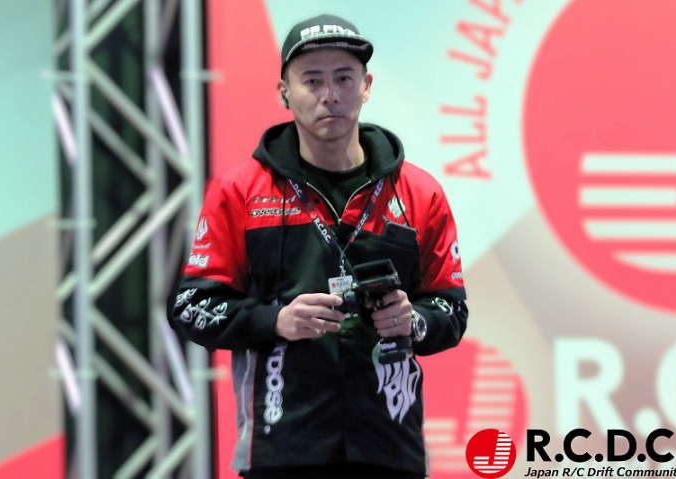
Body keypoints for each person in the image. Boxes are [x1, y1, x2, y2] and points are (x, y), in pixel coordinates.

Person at [171, 13, 468, 479]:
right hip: (282, 449)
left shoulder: (419, 192)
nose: (330, 94)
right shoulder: (239, 191)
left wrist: (413, 321)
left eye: (344, 78)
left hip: (389, 449)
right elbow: (192, 307)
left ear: (366, 86)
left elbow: (452, 310)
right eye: (312, 80)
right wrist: (276, 321)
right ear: (284, 92)